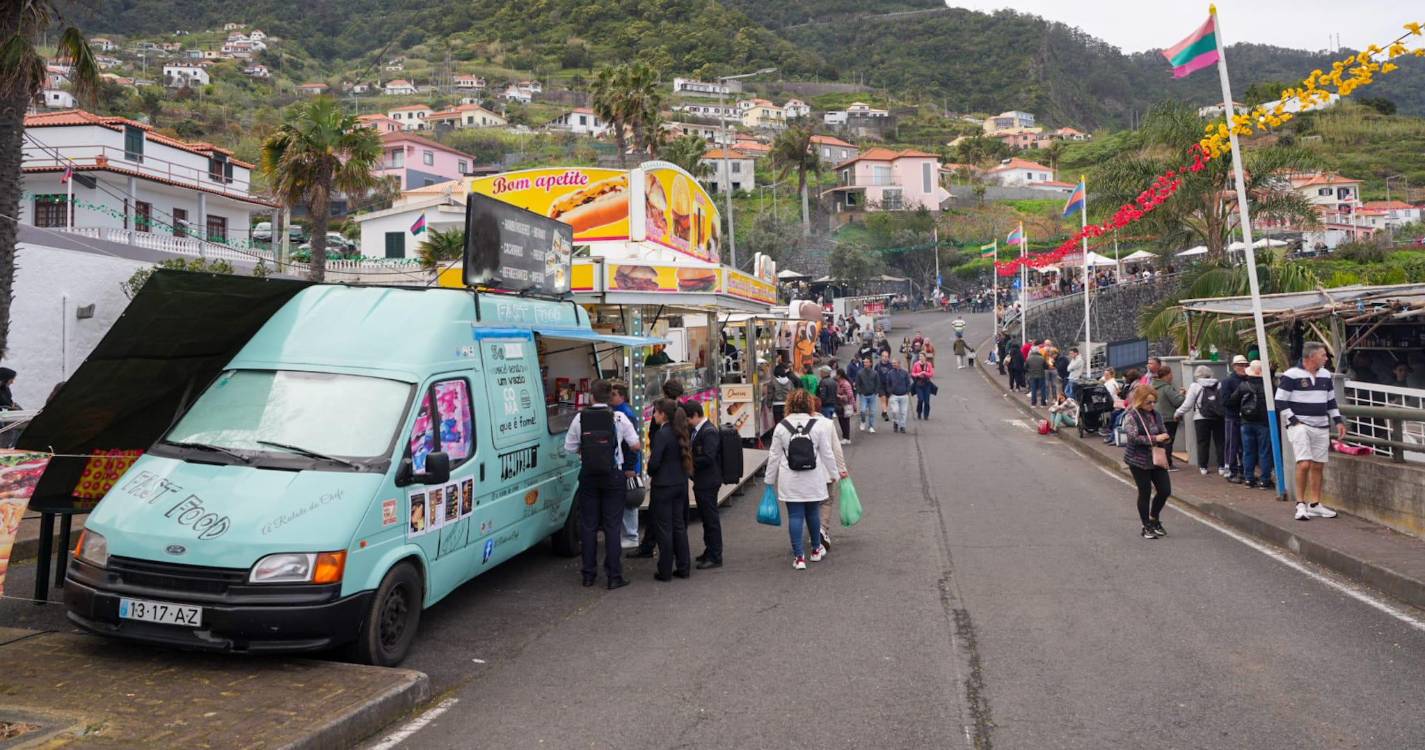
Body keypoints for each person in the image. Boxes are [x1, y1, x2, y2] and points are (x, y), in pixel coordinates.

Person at [564, 380, 642, 589]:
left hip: (588, 475)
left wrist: (585, 449)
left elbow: (569, 447)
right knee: (612, 526)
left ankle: (588, 575)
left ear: (592, 397)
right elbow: (635, 445)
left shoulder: (580, 418)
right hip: (613, 476)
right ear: (609, 397)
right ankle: (613, 576)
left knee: (588, 526)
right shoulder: (619, 417)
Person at [765, 389, 840, 570]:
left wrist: (769, 481)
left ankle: (799, 557)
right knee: (813, 513)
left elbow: (774, 455)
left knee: (795, 516)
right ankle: (815, 549)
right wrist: (835, 474)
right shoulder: (818, 425)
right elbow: (827, 453)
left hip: (790, 479)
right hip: (814, 477)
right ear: (810, 404)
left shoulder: (781, 426)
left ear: (789, 404)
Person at [1277, 341, 1346, 521]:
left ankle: (1315, 503)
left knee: (1318, 465)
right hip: (1301, 425)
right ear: (1311, 357)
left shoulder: (1325, 375)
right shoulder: (1291, 375)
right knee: (1304, 463)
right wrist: (1294, 420)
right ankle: (1300, 503)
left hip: (1321, 425)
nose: (1325, 358)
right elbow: (1280, 400)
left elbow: (1331, 401)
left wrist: (1338, 421)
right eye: (1323, 355)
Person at [647, 398, 693, 581]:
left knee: (664, 529)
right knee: (679, 526)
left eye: (655, 412)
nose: (653, 415)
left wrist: (650, 471)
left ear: (663, 414)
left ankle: (665, 570)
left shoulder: (662, 434)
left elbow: (655, 461)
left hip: (663, 485)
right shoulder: (679, 431)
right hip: (680, 483)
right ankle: (684, 567)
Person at [1122, 384, 1172, 540]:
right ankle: (1146, 525)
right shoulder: (1132, 415)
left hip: (1156, 458)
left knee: (1165, 490)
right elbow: (1132, 438)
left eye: (1153, 402)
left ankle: (1154, 518)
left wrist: (1165, 437)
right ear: (1140, 401)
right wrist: (1155, 438)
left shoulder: (1156, 414)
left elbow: (1163, 430)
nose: (1151, 405)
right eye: (1148, 402)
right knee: (1145, 492)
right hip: (1138, 460)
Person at [685, 402, 724, 570]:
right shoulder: (699, 430)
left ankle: (715, 555)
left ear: (694, 415)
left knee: (711, 519)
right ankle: (709, 550)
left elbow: (708, 457)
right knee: (706, 519)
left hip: (708, 480)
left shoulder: (708, 432)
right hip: (702, 480)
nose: (686, 422)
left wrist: (689, 463)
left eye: (687, 418)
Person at [1227, 360, 1275, 490]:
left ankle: (1249, 478)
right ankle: (1264, 480)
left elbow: (1231, 401)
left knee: (1248, 452)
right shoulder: (1269, 387)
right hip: (1264, 423)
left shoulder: (1243, 385)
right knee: (1264, 452)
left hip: (1246, 422)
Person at [1175, 365, 1226, 477]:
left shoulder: (1195, 386)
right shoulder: (1219, 385)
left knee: (1203, 443)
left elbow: (1187, 404)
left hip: (1201, 418)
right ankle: (1222, 466)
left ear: (1197, 375)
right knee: (1220, 442)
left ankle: (1203, 467)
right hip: (1218, 417)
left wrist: (1178, 413)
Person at [609, 382, 642, 551]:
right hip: (625, 464)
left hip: (627, 465)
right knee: (625, 500)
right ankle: (628, 534)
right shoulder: (619, 411)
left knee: (629, 501)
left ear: (622, 396)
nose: (611, 397)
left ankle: (631, 535)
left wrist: (630, 467)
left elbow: (632, 444)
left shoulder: (624, 413)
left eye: (614, 394)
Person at [1221, 355, 1249, 483]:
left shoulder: (1249, 380)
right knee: (1232, 445)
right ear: (1234, 366)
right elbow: (1226, 401)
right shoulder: (1228, 381)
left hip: (1247, 417)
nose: (1243, 368)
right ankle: (1231, 471)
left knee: (1245, 446)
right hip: (1232, 417)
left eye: (1245, 365)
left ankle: (1243, 470)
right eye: (1240, 365)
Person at [884, 358, 913, 433]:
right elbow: (888, 383)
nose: (893, 364)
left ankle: (902, 426)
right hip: (894, 395)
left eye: (895, 363)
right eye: (892, 363)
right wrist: (889, 392)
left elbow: (908, 382)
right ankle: (896, 422)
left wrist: (907, 391)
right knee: (895, 411)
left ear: (899, 364)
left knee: (903, 412)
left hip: (904, 395)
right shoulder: (890, 373)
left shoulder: (905, 372)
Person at [855, 355, 880, 434]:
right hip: (863, 395)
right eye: (864, 362)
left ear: (870, 363)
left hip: (872, 394)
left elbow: (877, 383)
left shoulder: (875, 373)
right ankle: (863, 421)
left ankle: (871, 426)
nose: (865, 363)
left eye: (867, 362)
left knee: (872, 412)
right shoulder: (860, 373)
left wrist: (875, 391)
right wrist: (860, 392)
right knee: (862, 411)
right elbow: (857, 383)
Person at [911, 352, 935, 420]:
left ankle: (926, 414)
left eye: (922, 356)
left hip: (927, 384)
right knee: (920, 399)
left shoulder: (928, 364)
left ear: (925, 357)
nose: (920, 358)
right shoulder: (916, 364)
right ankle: (919, 412)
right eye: (919, 357)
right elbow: (913, 373)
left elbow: (931, 374)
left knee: (927, 401)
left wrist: (925, 373)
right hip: (919, 384)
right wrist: (918, 374)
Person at [835, 368, 855, 444]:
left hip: (845, 405)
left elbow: (850, 395)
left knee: (845, 422)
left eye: (837, 374)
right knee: (841, 421)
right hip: (840, 405)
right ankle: (845, 437)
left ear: (839, 375)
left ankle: (846, 438)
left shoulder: (845, 383)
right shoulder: (839, 382)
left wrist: (840, 396)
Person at [875, 350, 895, 422]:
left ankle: (884, 411)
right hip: (880, 385)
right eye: (883, 356)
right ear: (881, 357)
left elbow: (893, 375)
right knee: (883, 398)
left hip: (888, 385)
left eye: (886, 356)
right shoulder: (878, 365)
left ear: (888, 357)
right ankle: (885, 413)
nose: (884, 358)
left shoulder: (891, 365)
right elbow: (875, 375)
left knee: (886, 399)